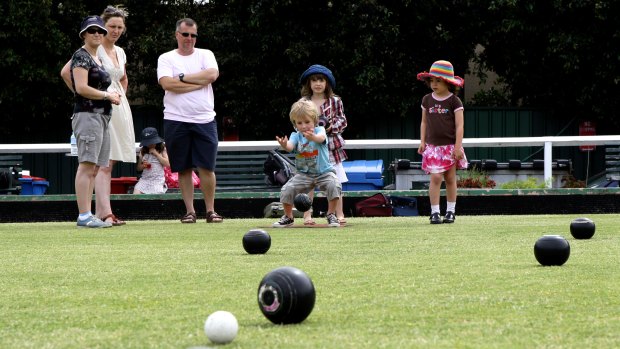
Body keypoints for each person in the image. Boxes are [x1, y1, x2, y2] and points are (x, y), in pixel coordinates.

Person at [61, 5, 135, 226]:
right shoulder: (88, 50)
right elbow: (68, 73)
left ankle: (100, 212)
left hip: (110, 108)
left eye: (119, 27)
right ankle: (96, 213)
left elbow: (122, 78)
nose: (114, 31)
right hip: (92, 109)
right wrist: (84, 94)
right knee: (93, 164)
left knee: (103, 162)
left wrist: (116, 95)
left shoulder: (119, 51)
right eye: (110, 26)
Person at [156, 18, 223, 224]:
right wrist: (196, 82)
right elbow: (167, 83)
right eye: (185, 34)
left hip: (205, 119)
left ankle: (210, 211)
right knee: (182, 167)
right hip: (176, 119)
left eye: (193, 35)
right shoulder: (166, 58)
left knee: (206, 167)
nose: (189, 39)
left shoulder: (206, 54)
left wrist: (182, 78)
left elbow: (212, 74)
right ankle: (190, 212)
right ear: (177, 35)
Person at [273, 99, 342, 228]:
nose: (304, 126)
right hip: (304, 174)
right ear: (295, 123)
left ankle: (331, 214)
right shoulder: (295, 135)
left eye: (307, 122)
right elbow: (290, 146)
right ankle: (288, 217)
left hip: (324, 172)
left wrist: (313, 138)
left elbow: (321, 138)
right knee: (287, 189)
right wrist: (284, 144)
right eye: (299, 123)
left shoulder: (319, 130)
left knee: (334, 185)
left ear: (315, 121)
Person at [416, 60, 468, 224]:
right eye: (432, 80)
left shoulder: (454, 101)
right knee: (436, 177)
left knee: (451, 178)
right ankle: (435, 212)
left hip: (450, 147)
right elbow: (424, 122)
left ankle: (451, 211)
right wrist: (422, 141)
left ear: (448, 82)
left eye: (438, 80)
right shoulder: (426, 100)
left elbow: (460, 125)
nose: (434, 84)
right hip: (432, 147)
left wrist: (458, 146)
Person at [298, 64, 348, 225]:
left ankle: (338, 214)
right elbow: (296, 122)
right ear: (309, 83)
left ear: (327, 83)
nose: (317, 83)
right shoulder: (303, 102)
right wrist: (309, 130)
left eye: (321, 80)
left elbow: (343, 121)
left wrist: (328, 127)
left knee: (336, 182)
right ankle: (307, 215)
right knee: (308, 184)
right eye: (314, 80)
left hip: (332, 147)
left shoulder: (335, 101)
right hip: (309, 147)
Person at [134, 127, 169, 194]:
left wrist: (157, 154)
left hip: (157, 180)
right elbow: (138, 169)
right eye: (147, 143)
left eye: (152, 142)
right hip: (145, 180)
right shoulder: (143, 151)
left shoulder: (162, 149)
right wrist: (143, 165)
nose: (150, 145)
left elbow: (167, 164)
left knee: (156, 195)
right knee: (136, 194)